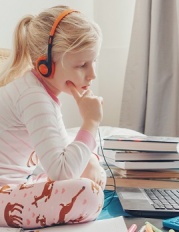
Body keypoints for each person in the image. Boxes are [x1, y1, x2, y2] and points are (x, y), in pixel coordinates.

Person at [0, 5, 106, 229]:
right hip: (3, 193)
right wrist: (90, 122)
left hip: (13, 187)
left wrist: (91, 160)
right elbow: (61, 172)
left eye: (93, 61)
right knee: (89, 194)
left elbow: (62, 149)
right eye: (81, 65)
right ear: (45, 65)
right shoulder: (33, 97)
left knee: (87, 178)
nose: (92, 74)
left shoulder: (41, 92)